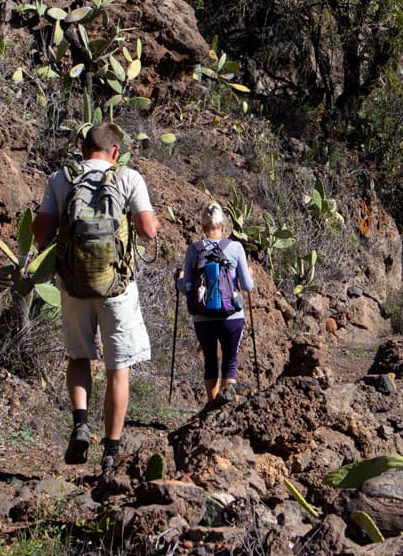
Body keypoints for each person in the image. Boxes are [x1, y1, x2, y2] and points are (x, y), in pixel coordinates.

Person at [32, 121, 159, 474]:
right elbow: (148, 231)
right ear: (115, 152)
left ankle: (81, 424)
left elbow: (41, 235)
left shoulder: (62, 178)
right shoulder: (128, 178)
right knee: (118, 369)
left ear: (84, 148)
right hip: (117, 288)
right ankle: (111, 451)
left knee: (78, 355)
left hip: (73, 286)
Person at [176, 202, 254, 405]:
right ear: (223, 227)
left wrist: (179, 280)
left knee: (210, 361)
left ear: (202, 228)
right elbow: (247, 286)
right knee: (230, 362)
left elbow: (188, 286)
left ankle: (211, 407)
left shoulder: (194, 250)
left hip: (203, 317)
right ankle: (227, 409)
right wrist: (250, 276)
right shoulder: (236, 248)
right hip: (232, 316)